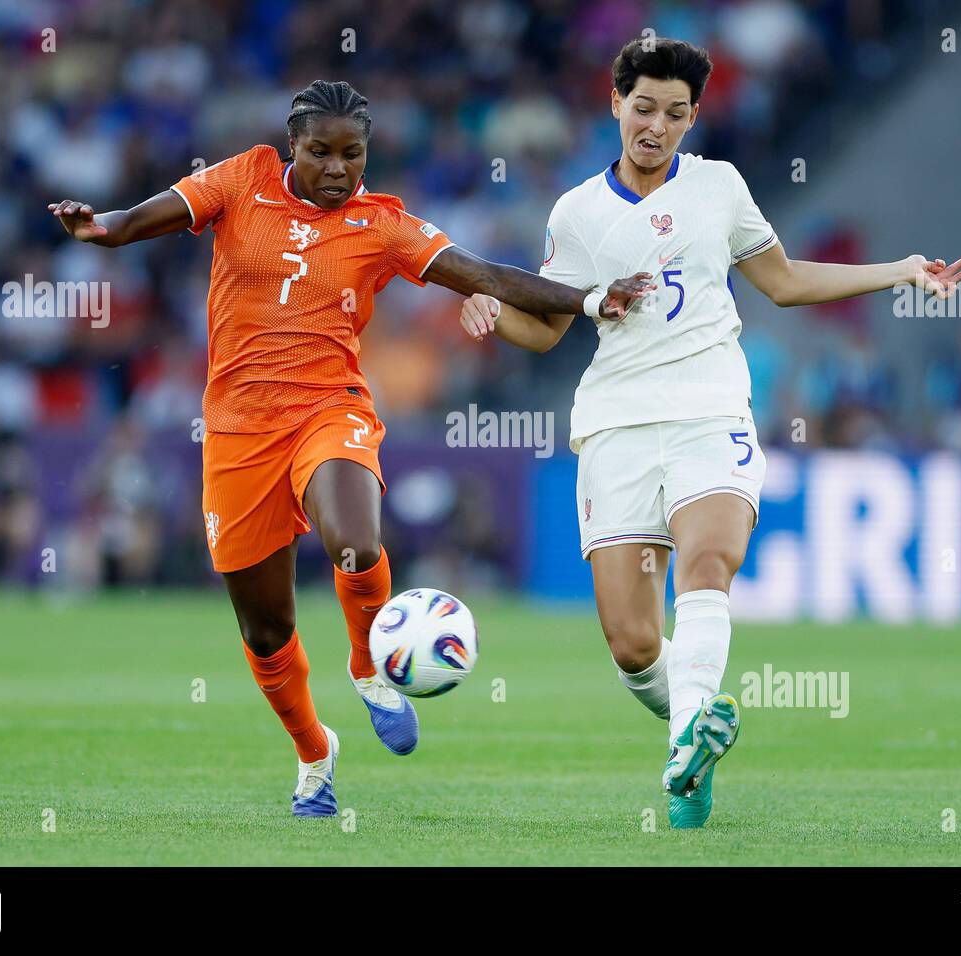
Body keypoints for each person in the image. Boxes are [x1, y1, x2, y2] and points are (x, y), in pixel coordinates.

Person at [48, 79, 649, 817]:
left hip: (329, 409)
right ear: (290, 147)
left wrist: (589, 301)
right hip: (238, 430)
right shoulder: (241, 180)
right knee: (265, 629)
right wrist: (105, 228)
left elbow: (485, 275)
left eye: (353, 154)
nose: (338, 168)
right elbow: (160, 214)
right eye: (321, 153)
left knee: (356, 544)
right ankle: (313, 754)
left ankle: (369, 666)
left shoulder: (383, 225)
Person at [459, 37, 961, 829]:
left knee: (707, 560)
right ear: (615, 104)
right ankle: (689, 738)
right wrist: (495, 316)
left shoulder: (720, 188)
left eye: (676, 113)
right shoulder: (577, 213)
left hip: (710, 406)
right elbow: (551, 329)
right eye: (644, 107)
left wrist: (897, 269)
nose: (657, 125)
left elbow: (787, 281)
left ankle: (688, 748)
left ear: (693, 119)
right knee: (632, 645)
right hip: (616, 423)